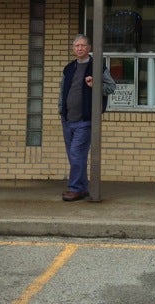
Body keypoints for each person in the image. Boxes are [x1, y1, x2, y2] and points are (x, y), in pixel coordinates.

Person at [57, 34, 115, 202]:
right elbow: (63, 92)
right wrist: (61, 109)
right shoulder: (68, 68)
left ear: (89, 48)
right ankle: (81, 188)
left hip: (85, 120)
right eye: (76, 46)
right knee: (74, 156)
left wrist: (96, 83)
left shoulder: (97, 67)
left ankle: (75, 189)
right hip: (67, 119)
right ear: (73, 49)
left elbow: (111, 87)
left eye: (83, 45)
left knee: (76, 154)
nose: (80, 48)